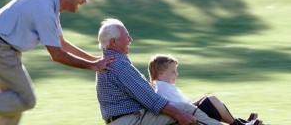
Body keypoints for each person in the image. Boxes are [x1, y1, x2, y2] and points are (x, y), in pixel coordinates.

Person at [0, 0, 115, 125]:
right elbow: (57, 55)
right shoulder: (45, 11)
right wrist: (93, 66)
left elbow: (62, 44)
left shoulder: (49, 4)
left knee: (12, 103)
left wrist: (96, 60)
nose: (84, 0)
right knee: (26, 99)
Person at [96, 18, 225, 125]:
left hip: (128, 118)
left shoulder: (109, 61)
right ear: (113, 42)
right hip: (130, 120)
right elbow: (150, 99)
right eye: (126, 37)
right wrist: (179, 114)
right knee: (186, 110)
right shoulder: (117, 64)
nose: (130, 40)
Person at [148, 54, 264, 125]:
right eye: (173, 71)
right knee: (210, 99)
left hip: (190, 112)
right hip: (190, 117)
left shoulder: (164, 86)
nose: (176, 74)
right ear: (161, 73)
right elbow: (185, 107)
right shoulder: (165, 89)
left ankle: (240, 121)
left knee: (208, 99)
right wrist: (203, 101)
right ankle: (238, 123)